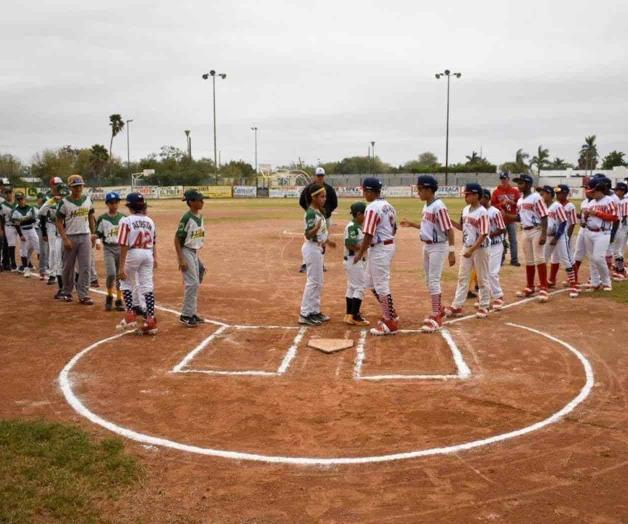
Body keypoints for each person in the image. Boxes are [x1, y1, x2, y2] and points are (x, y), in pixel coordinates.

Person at [400, 175, 455, 333]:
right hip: (428, 246)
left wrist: (451, 251)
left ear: (429, 190)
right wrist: (412, 224)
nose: (418, 192)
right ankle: (440, 309)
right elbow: (428, 228)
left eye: (420, 189)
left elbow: (448, 229)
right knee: (429, 280)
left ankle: (437, 315)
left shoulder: (439, 207)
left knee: (434, 281)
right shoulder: (427, 206)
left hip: (437, 247)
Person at [352, 177, 398, 335]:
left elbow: (368, 234)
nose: (364, 194)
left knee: (381, 285)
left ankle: (389, 321)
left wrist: (360, 252)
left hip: (380, 248)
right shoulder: (388, 205)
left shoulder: (372, 207)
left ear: (370, 191)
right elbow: (395, 228)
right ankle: (391, 313)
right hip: (385, 245)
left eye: (365, 191)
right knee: (370, 282)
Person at [444, 183, 490, 319]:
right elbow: (462, 227)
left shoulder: (482, 212)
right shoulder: (465, 210)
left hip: (480, 248)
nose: (466, 197)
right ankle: (457, 305)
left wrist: (472, 249)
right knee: (463, 277)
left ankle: (484, 305)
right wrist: (450, 221)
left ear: (476, 195)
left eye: (468, 194)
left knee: (482, 277)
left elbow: (484, 234)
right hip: (467, 247)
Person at [117, 193, 158, 335]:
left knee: (125, 282)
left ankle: (130, 315)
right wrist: (155, 257)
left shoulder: (126, 220)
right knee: (147, 286)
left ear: (130, 206)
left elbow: (123, 244)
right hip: (148, 253)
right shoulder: (150, 221)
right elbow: (153, 241)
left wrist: (121, 267)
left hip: (133, 252)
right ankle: (151, 320)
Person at [298, 183, 336, 325]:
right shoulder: (311, 213)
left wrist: (328, 241)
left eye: (325, 196)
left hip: (318, 248)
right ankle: (305, 313)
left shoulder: (319, 211)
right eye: (321, 196)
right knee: (313, 282)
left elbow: (320, 234)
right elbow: (308, 235)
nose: (324, 199)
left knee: (318, 282)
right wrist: (316, 228)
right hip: (311, 248)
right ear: (313, 197)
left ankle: (314, 311)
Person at [55, 174, 96, 304]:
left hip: (85, 236)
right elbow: (58, 221)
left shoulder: (88, 200)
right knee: (68, 266)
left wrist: (93, 234)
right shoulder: (64, 202)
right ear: (70, 187)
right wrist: (65, 239)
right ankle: (66, 292)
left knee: (85, 266)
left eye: (80, 186)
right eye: (75, 186)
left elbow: (91, 217)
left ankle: (84, 294)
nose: (78, 188)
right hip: (70, 236)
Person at [538, 186, 579, 299]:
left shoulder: (557, 206)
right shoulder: (542, 207)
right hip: (548, 237)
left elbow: (563, 222)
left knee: (566, 260)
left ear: (550, 195)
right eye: (541, 194)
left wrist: (556, 237)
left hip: (559, 237)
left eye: (544, 194)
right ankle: (544, 284)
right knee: (543, 259)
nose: (542, 196)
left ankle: (574, 285)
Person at [513, 174, 549, 302]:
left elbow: (544, 216)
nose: (518, 186)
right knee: (529, 260)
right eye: (518, 183)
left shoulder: (536, 197)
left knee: (539, 258)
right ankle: (530, 286)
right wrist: (506, 215)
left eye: (521, 183)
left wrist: (544, 233)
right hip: (525, 230)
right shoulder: (520, 200)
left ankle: (544, 287)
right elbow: (519, 218)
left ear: (528, 184)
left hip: (536, 230)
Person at [174, 189, 206, 328]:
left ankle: (192, 312)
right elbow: (177, 239)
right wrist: (181, 259)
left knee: (200, 274)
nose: (202, 202)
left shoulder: (200, 216)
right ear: (191, 202)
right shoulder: (187, 218)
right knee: (192, 283)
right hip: (186, 251)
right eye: (199, 200)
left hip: (194, 252)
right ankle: (186, 315)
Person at [298, 167, 338, 272]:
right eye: (318, 176)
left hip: (326, 217)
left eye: (322, 176)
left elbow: (334, 203)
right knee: (309, 239)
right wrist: (310, 211)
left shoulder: (329, 188)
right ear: (314, 176)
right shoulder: (308, 189)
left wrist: (326, 212)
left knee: (323, 237)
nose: (320, 178)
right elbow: (302, 201)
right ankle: (305, 263)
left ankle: (321, 263)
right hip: (314, 216)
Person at [582, 177, 618, 291]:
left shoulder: (609, 200)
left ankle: (607, 282)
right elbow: (584, 221)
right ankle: (595, 282)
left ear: (599, 190)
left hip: (603, 233)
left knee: (598, 258)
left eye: (593, 192)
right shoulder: (591, 202)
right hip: (589, 231)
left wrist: (597, 213)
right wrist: (586, 215)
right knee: (592, 259)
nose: (591, 194)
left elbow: (614, 217)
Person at [95, 192, 126, 311]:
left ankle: (119, 299)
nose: (114, 205)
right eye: (111, 203)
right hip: (109, 248)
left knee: (120, 274)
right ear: (107, 204)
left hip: (121, 247)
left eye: (116, 202)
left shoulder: (123, 218)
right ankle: (109, 295)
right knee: (111, 273)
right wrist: (98, 242)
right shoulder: (103, 218)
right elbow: (98, 233)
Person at [343, 201, 369, 326]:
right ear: (358, 214)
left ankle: (349, 315)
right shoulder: (352, 227)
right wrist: (365, 246)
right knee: (360, 287)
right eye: (365, 214)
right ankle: (355, 316)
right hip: (354, 260)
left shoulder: (358, 226)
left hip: (354, 260)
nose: (366, 216)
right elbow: (350, 244)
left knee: (352, 287)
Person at [40, 181, 67, 291]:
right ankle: (54, 277)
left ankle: (72, 283)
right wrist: (51, 201)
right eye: (61, 192)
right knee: (55, 254)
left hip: (69, 233)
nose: (62, 195)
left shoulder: (69, 202)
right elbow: (41, 212)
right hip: (55, 231)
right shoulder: (52, 201)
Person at [481, 189, 506, 309]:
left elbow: (502, 228)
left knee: (492, 272)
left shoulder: (495, 212)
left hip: (496, 245)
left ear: (487, 198)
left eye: (482, 198)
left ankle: (498, 296)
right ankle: (484, 296)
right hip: (484, 246)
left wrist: (488, 235)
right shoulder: (479, 212)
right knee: (483, 272)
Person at [491, 172, 521, 266]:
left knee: (513, 240)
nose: (503, 180)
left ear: (508, 179)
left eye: (505, 179)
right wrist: (501, 204)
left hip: (511, 219)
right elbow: (492, 205)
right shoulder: (496, 192)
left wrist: (513, 203)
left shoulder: (514, 191)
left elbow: (520, 204)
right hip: (500, 220)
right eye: (502, 179)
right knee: (501, 240)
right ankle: (501, 259)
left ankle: (514, 260)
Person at [551, 185, 577, 286]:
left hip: (565, 235)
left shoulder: (570, 206)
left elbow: (573, 223)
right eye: (557, 193)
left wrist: (569, 238)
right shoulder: (555, 205)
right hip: (557, 235)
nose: (558, 195)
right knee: (555, 257)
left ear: (566, 193)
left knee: (569, 258)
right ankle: (552, 279)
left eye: (560, 193)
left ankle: (575, 279)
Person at [11, 191, 39, 278]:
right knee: (24, 250)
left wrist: (22, 220)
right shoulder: (15, 211)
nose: (20, 201)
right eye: (18, 199)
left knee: (38, 247)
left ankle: (43, 267)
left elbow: (33, 220)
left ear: (25, 199)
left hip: (32, 229)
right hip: (23, 231)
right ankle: (26, 269)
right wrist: (20, 235)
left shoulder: (31, 208)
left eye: (21, 199)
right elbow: (16, 224)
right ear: (16, 200)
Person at [611, 182, 627, 280]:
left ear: (622, 191)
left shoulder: (624, 201)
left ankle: (620, 270)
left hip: (621, 228)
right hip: (621, 228)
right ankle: (619, 268)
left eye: (617, 190)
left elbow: (623, 217)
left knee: (617, 250)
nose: (615, 192)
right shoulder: (620, 200)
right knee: (618, 249)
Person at [0, 186, 18, 271]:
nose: (8, 195)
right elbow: (1, 218)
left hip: (18, 227)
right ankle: (10, 263)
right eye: (6, 193)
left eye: (10, 192)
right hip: (8, 226)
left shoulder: (17, 204)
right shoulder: (2, 205)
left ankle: (27, 263)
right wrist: (2, 229)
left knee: (24, 244)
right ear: (4, 194)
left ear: (12, 193)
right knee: (9, 245)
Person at [34, 192, 49, 280]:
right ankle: (42, 270)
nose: (41, 200)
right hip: (42, 229)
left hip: (50, 229)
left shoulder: (48, 207)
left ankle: (48, 267)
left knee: (50, 250)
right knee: (43, 250)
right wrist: (44, 233)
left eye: (43, 199)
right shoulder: (38, 209)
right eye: (40, 198)